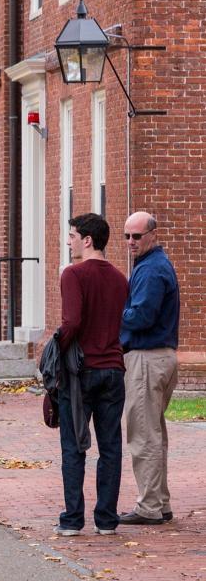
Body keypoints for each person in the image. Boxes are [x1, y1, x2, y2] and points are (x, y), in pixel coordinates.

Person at [50, 213, 129, 536]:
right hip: (113, 368)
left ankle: (72, 520)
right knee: (110, 446)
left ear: (87, 240)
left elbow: (72, 322)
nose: (68, 242)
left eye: (71, 236)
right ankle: (107, 520)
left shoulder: (73, 274)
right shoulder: (121, 279)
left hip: (81, 372)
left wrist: (56, 347)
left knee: (73, 444)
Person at [118, 211, 180, 526]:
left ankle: (150, 507)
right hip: (158, 357)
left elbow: (142, 316)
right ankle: (160, 503)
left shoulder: (152, 270)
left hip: (147, 358)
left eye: (137, 236)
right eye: (127, 236)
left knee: (142, 435)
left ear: (153, 235)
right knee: (153, 433)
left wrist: (112, 313)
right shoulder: (150, 266)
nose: (131, 242)